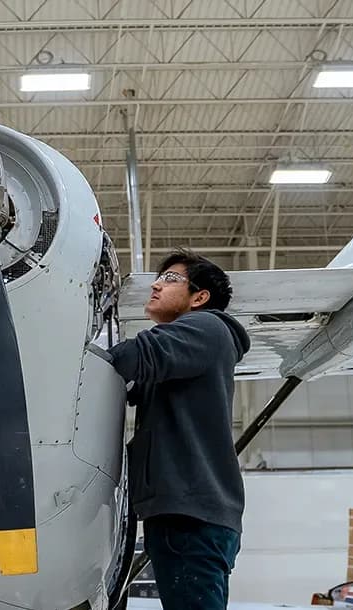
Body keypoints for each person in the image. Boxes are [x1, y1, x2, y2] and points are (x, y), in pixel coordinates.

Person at [106, 248, 251, 610]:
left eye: (171, 279)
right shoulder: (189, 349)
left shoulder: (205, 327)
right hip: (190, 515)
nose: (155, 285)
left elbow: (130, 358)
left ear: (200, 297)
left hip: (191, 517)